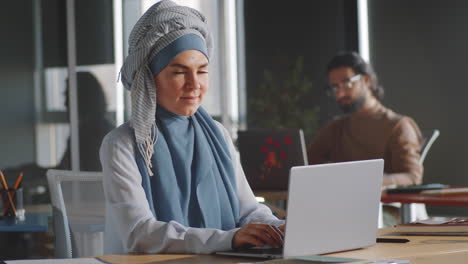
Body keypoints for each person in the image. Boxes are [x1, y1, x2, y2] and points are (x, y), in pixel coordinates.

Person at [99, 0, 284, 255]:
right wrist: (228, 239)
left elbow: (249, 211)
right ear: (150, 79)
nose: (194, 84)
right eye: (179, 72)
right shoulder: (121, 144)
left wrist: (281, 228)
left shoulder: (217, 134)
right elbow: (140, 234)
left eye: (202, 71)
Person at [308, 52, 423, 186]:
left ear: (366, 80)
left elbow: (413, 177)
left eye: (347, 83)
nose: (340, 93)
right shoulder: (335, 128)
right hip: (343, 203)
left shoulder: (397, 125)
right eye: (335, 87)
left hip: (385, 205)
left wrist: (369, 181)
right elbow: (305, 164)